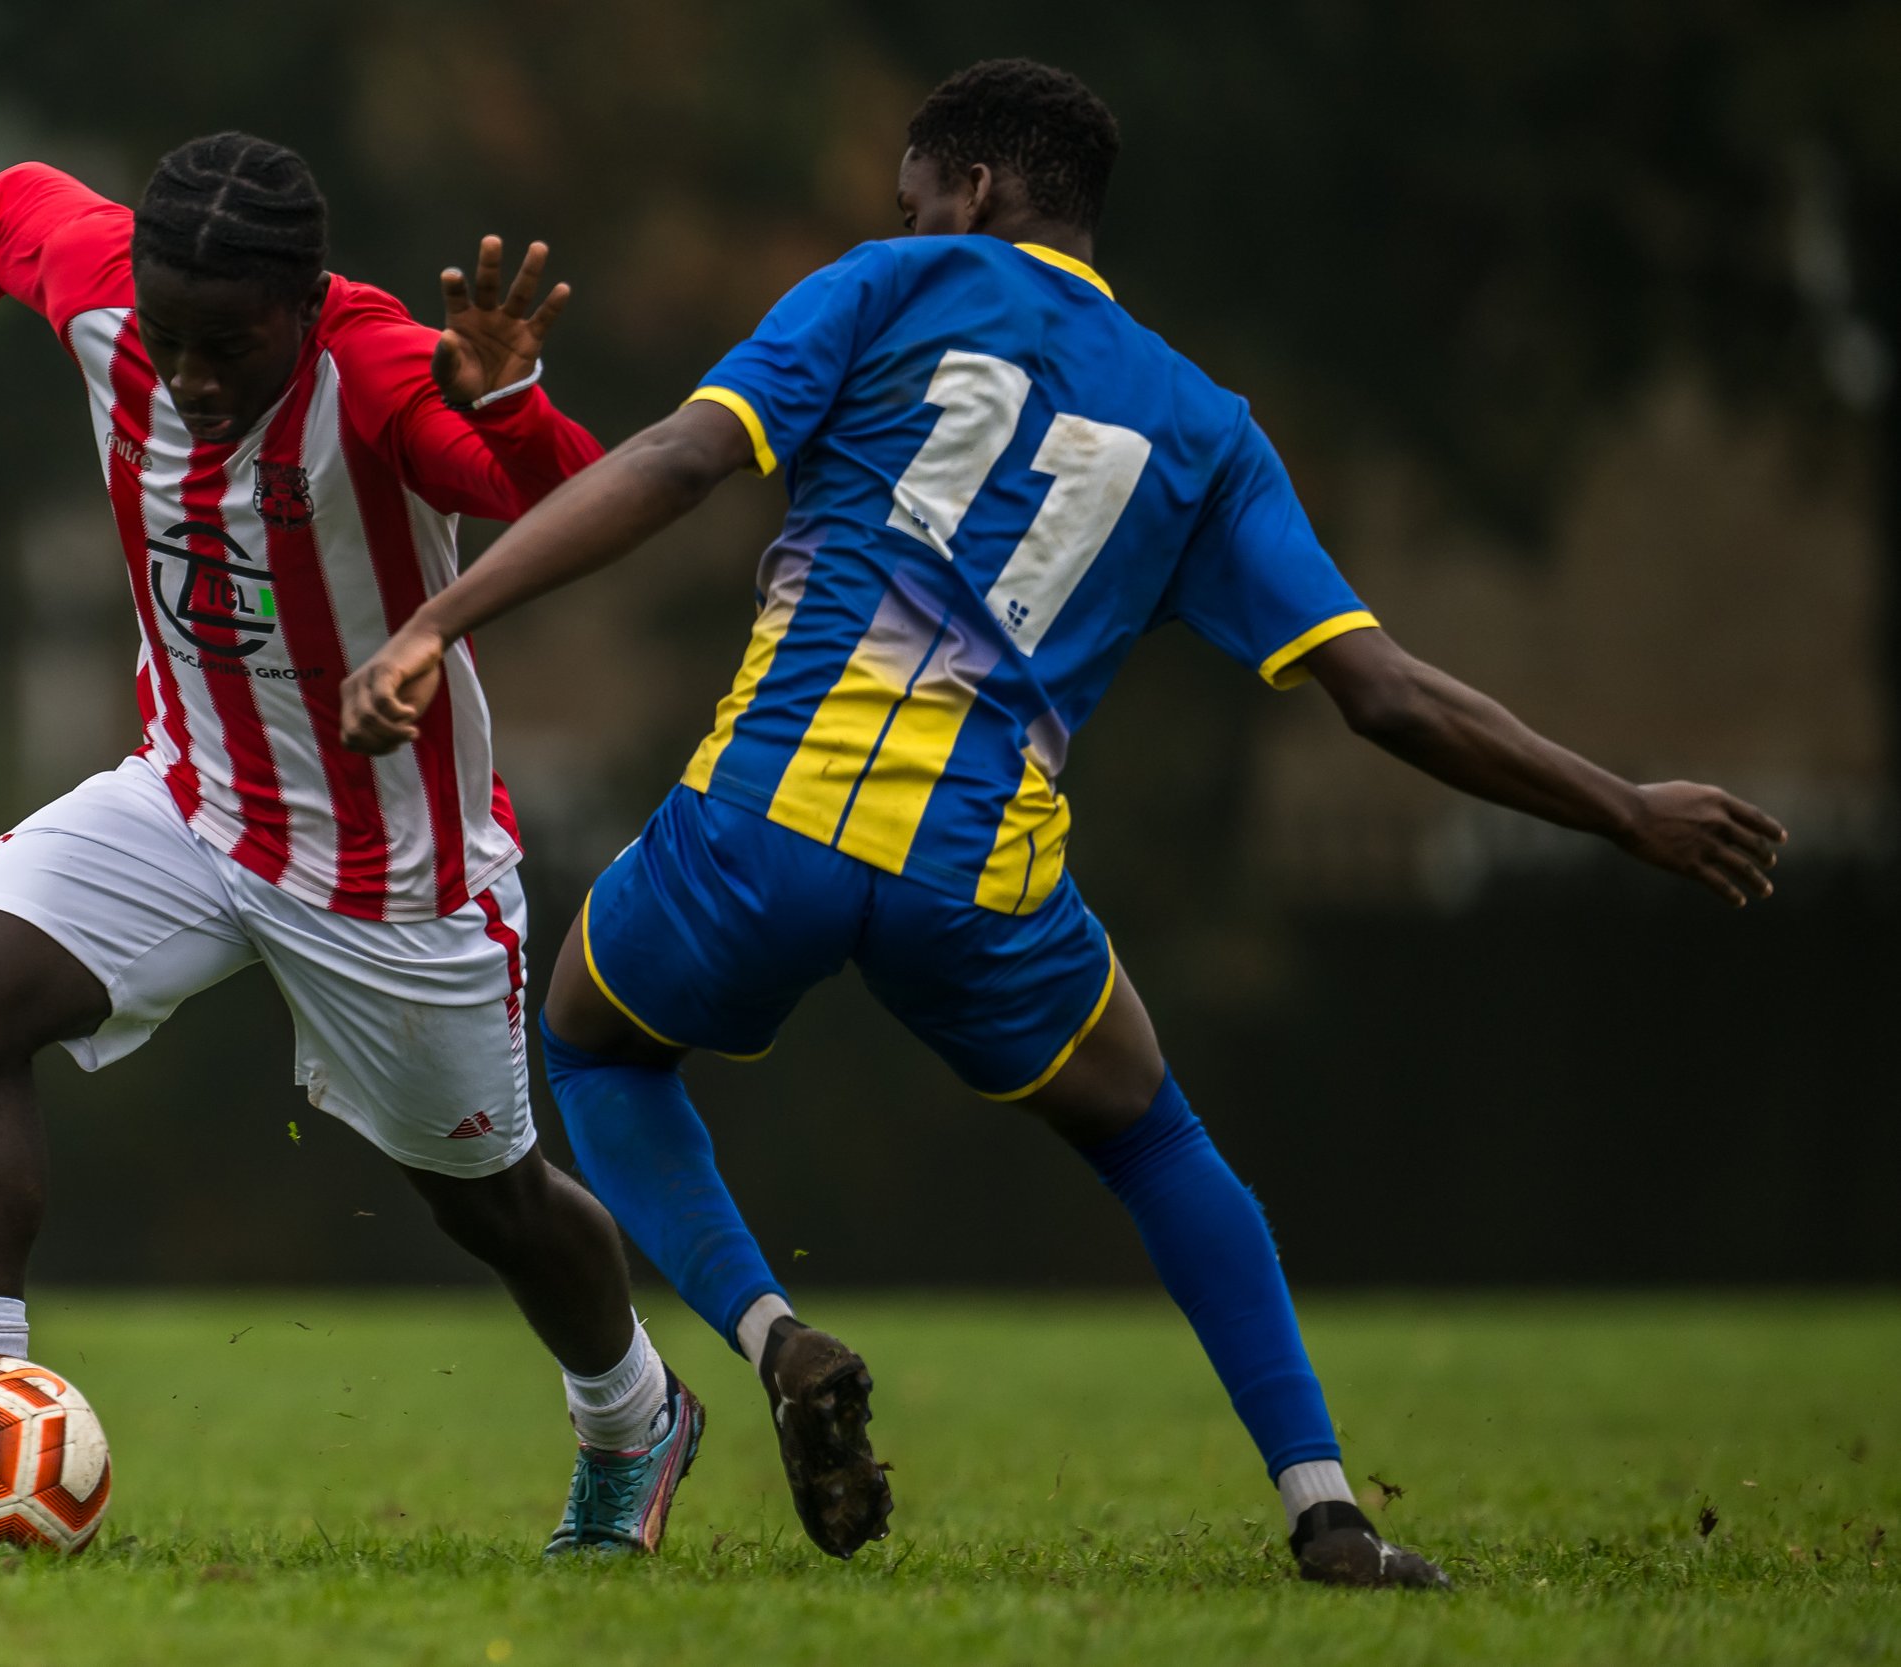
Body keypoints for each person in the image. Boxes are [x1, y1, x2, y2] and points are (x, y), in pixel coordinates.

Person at [338, 60, 1788, 1586]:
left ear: (964, 194)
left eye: (911, 195)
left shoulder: (891, 284)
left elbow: (678, 461)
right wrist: (1625, 808)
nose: (899, 218)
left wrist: (440, 618)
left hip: (767, 823)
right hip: (984, 876)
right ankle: (1327, 1514)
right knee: (1159, 1143)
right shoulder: (1206, 426)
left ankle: (771, 1339)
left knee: (590, 1044)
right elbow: (1389, 698)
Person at [0, 133, 702, 1554]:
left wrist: (511, 401)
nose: (195, 378)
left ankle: (634, 1415)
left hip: (392, 870)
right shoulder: (97, 280)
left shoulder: (383, 369)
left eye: (233, 347)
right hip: (188, 793)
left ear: (306, 304)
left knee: (488, 1201)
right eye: (171, 339)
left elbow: (558, 498)